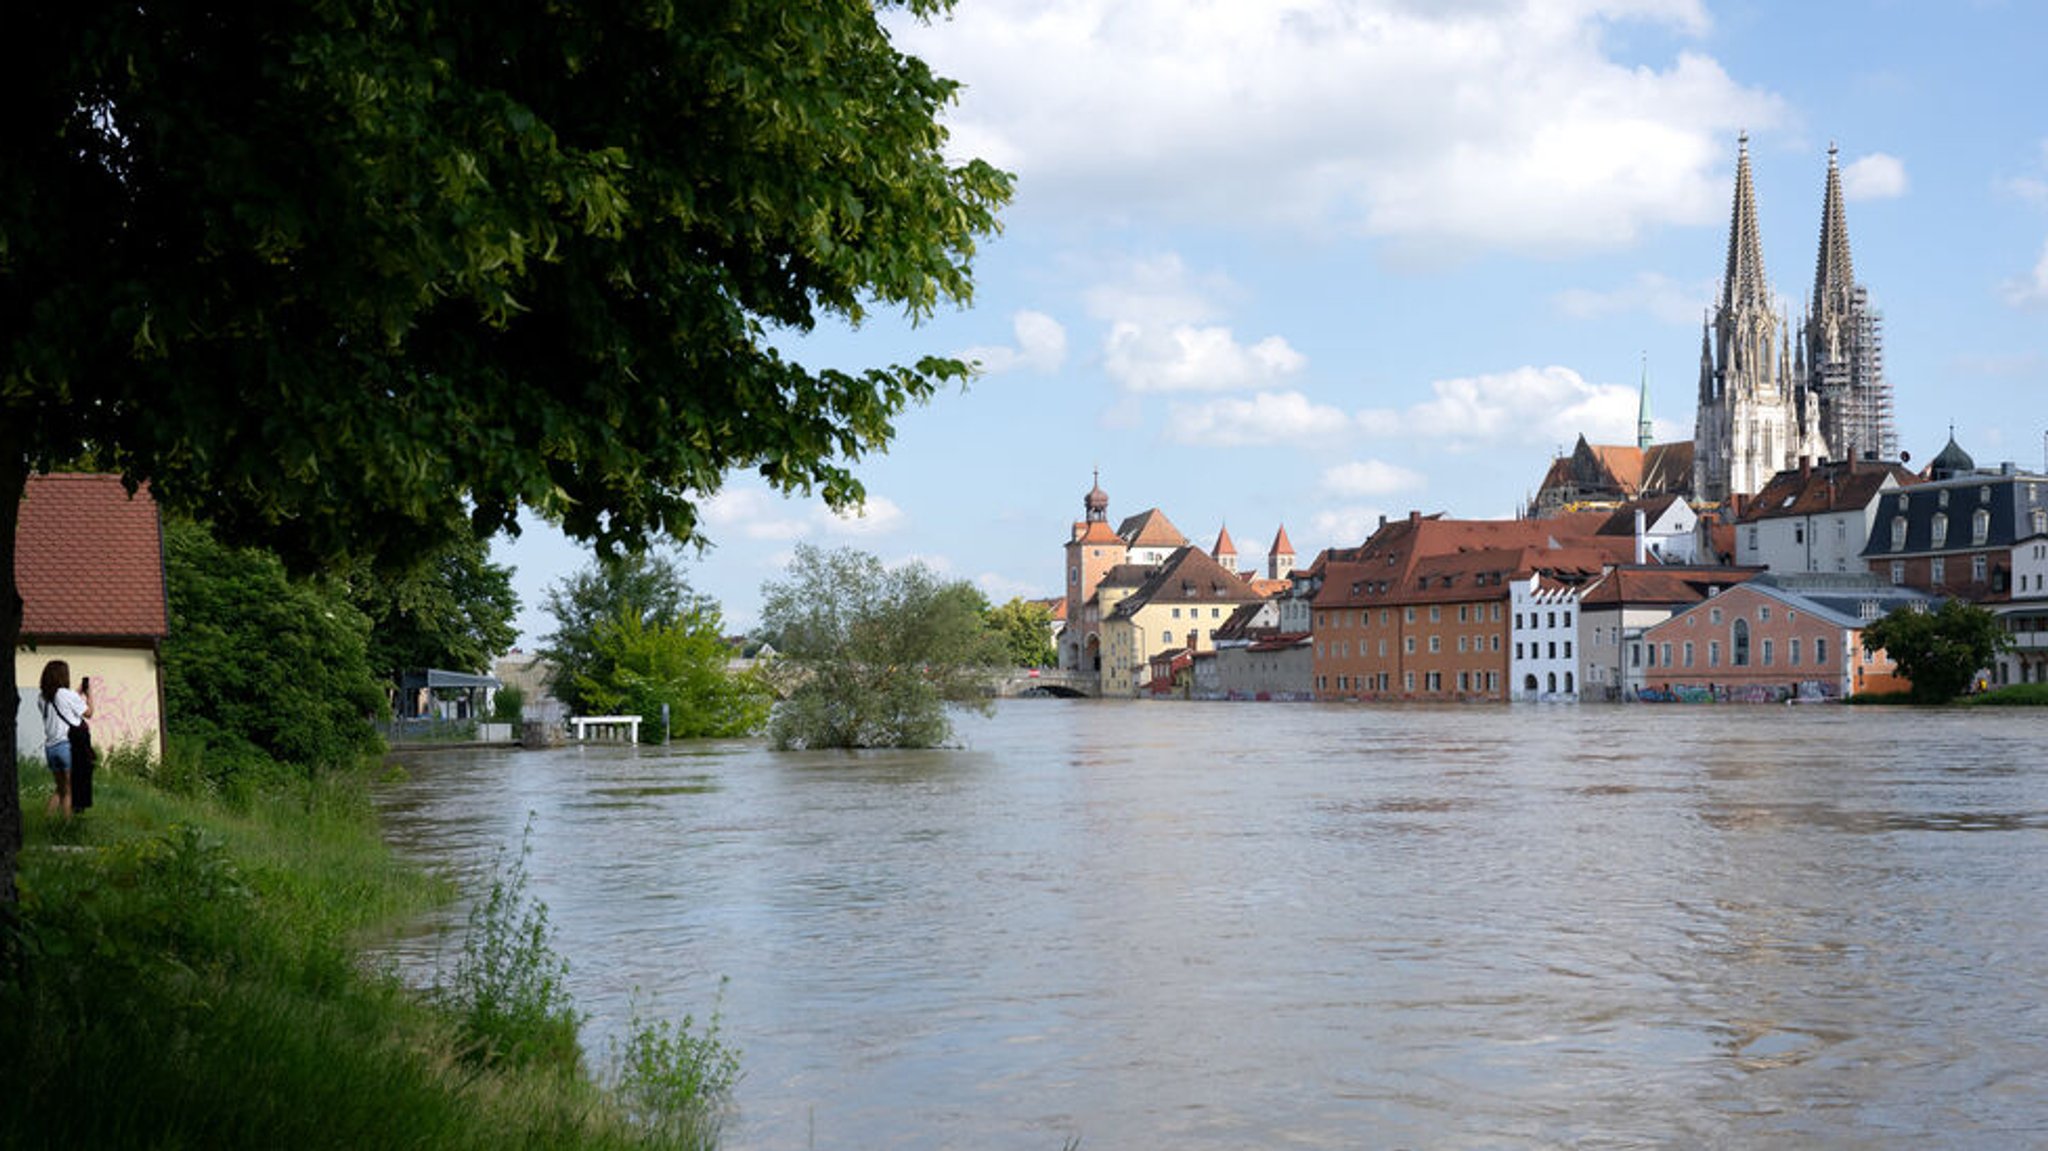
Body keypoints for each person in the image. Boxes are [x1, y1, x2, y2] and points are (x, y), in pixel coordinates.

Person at [38, 660, 93, 819]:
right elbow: (89, 713)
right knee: (69, 791)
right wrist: (89, 695)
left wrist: (78, 692)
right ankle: (66, 826)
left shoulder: (42, 698)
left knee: (60, 789)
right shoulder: (67, 695)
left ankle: (47, 821)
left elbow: (62, 703)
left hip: (50, 748)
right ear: (63, 676)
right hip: (67, 747)